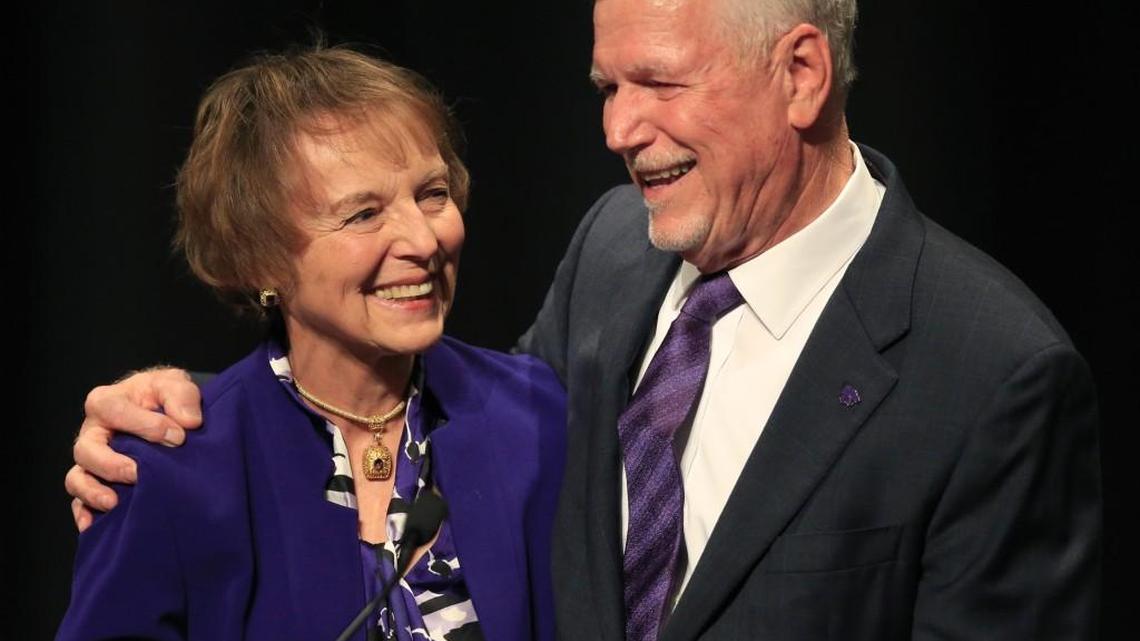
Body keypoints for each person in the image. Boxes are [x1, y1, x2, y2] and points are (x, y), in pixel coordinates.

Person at [69, 1, 1102, 639]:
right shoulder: (617, 250)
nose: (616, 129)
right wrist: (163, 408)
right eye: (608, 86)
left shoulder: (993, 371)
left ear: (800, 74)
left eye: (656, 82)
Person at [57, 46, 565, 641]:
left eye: (432, 193)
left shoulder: (539, 417)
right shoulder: (170, 468)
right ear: (259, 257)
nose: (423, 241)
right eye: (363, 214)